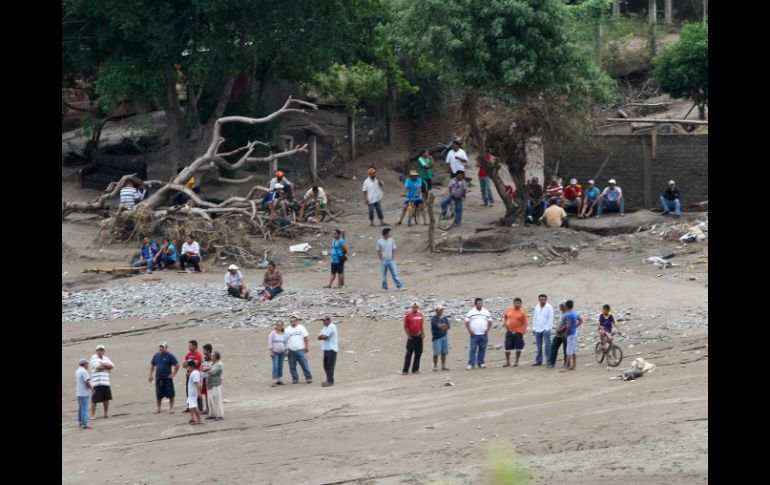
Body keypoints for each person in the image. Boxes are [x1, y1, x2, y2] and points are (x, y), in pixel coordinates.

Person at [148, 341, 180, 414]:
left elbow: (177, 365)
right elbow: (152, 365)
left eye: (162, 347)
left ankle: (171, 408)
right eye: (160, 347)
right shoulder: (156, 355)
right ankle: (158, 408)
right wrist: (150, 375)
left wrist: (173, 374)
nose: (161, 348)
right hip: (159, 378)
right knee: (158, 394)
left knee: (171, 394)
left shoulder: (170, 355)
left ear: (166, 348)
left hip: (167, 378)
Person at [465, 298, 492, 370]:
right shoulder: (471, 312)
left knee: (482, 348)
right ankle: (471, 364)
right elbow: (467, 322)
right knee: (473, 349)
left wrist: (488, 329)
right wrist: (469, 330)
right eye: (478, 303)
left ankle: (481, 362)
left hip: (483, 334)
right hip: (474, 334)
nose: (480, 304)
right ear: (475, 304)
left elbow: (490, 321)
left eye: (481, 303)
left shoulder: (486, 312)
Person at [501, 297, 529, 368]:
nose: (517, 304)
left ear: (521, 304)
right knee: (507, 346)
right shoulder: (509, 309)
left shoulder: (522, 312)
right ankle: (507, 361)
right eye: (516, 303)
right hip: (509, 331)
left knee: (518, 347)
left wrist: (523, 331)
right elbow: (504, 317)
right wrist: (504, 323)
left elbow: (525, 322)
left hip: (518, 332)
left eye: (519, 303)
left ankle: (516, 361)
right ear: (513, 303)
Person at [89, 344, 114, 419]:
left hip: (105, 381)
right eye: (99, 350)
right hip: (97, 382)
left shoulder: (106, 358)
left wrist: (103, 364)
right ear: (96, 351)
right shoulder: (93, 358)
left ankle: (105, 414)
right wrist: (107, 367)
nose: (100, 352)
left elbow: (112, 366)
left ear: (104, 351)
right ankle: (92, 415)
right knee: (95, 400)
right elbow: (98, 367)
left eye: (102, 350)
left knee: (106, 399)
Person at [285, 315, 312, 384]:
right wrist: (286, 350)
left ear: (297, 321)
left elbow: (305, 337)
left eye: (294, 321)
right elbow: (285, 341)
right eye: (291, 321)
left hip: (301, 349)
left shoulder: (301, 328)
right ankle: (295, 378)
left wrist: (306, 346)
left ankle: (308, 377)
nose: (292, 323)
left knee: (304, 364)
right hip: (291, 350)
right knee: (292, 366)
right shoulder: (287, 330)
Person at [377, 227, 404, 292]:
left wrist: (393, 257)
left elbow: (394, 249)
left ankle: (400, 286)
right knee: (384, 275)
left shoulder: (391, 240)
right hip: (384, 260)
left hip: (391, 260)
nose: (391, 234)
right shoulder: (379, 241)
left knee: (395, 274)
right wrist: (381, 258)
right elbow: (378, 250)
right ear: (385, 234)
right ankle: (384, 288)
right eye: (389, 233)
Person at [560, 300, 584, 372]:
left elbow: (569, 325)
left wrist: (566, 333)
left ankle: (566, 367)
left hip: (571, 334)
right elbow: (581, 320)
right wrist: (576, 327)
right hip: (574, 333)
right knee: (573, 350)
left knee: (569, 351)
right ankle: (574, 365)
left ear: (566, 306)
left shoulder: (569, 315)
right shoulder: (575, 313)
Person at [402, 302, 425, 375]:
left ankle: (415, 369)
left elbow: (421, 325)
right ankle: (405, 370)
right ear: (412, 307)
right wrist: (408, 335)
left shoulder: (420, 315)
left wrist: (423, 333)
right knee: (409, 354)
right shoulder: (408, 315)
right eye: (414, 307)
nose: (415, 308)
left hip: (419, 337)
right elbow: (405, 326)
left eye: (416, 307)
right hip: (412, 337)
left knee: (418, 353)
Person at [598, 304, 623, 370]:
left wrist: (619, 330)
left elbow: (615, 323)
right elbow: (599, 324)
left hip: (609, 331)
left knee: (612, 343)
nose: (602, 311)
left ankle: (615, 358)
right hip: (602, 330)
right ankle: (603, 346)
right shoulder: (601, 316)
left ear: (608, 311)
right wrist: (602, 328)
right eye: (602, 309)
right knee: (603, 336)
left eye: (604, 310)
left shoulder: (610, 316)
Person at [531, 294, 554, 367]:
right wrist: (534, 328)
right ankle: (539, 361)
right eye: (541, 299)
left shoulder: (549, 307)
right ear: (539, 300)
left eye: (543, 299)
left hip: (546, 328)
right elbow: (535, 317)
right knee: (538, 346)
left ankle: (549, 361)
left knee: (548, 345)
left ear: (546, 299)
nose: (542, 301)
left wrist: (548, 328)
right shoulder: (537, 307)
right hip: (538, 328)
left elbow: (551, 318)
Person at [183, 340, 203, 413]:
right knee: (188, 391)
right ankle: (189, 406)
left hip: (195, 376)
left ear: (195, 346)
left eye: (190, 345)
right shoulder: (188, 355)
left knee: (197, 391)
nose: (189, 347)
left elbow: (195, 364)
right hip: (188, 376)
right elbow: (184, 365)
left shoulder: (198, 355)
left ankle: (200, 408)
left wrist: (188, 364)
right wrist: (188, 364)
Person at [318, 316, 338, 387]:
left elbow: (325, 337)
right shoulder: (325, 328)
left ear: (329, 320)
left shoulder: (331, 326)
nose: (324, 322)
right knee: (326, 366)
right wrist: (322, 336)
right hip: (326, 349)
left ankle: (330, 381)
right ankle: (329, 379)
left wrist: (322, 336)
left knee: (330, 366)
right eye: (323, 320)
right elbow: (319, 337)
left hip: (331, 349)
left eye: (325, 320)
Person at [549, 302, 570, 369]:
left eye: (561, 306)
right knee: (553, 348)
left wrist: (560, 330)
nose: (560, 308)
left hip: (565, 334)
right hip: (558, 334)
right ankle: (552, 363)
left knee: (565, 350)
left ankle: (566, 364)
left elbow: (567, 325)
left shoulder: (568, 314)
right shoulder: (561, 314)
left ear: (564, 307)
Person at [431, 304, 451, 371]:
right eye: (440, 310)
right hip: (437, 338)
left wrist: (442, 326)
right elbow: (437, 326)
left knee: (444, 352)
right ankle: (435, 366)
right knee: (436, 353)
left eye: (442, 310)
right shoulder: (433, 318)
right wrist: (443, 326)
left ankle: (443, 366)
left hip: (444, 336)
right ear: (436, 311)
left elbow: (448, 326)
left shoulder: (444, 317)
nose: (441, 311)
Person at [75, 358, 94, 429]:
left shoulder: (77, 371)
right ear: (85, 364)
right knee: (84, 408)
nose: (88, 365)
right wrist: (92, 389)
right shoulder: (84, 371)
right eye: (87, 364)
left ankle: (80, 423)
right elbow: (87, 381)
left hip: (79, 392)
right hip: (84, 392)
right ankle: (85, 424)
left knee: (80, 408)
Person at [206, 351, 224, 420]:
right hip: (210, 385)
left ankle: (220, 415)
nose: (211, 357)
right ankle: (212, 414)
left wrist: (207, 369)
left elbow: (212, 372)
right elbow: (205, 368)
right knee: (210, 400)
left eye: (212, 356)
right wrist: (207, 369)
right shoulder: (212, 363)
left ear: (216, 357)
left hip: (216, 385)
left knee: (217, 400)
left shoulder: (219, 364)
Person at [268, 321, 287, 387]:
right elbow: (270, 342)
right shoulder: (272, 333)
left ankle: (279, 379)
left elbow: (285, 342)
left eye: (280, 325)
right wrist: (271, 351)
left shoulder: (284, 334)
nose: (279, 326)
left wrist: (286, 350)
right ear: (276, 326)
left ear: (282, 326)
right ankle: (274, 379)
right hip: (275, 352)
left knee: (280, 366)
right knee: (275, 366)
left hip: (282, 352)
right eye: (278, 325)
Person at [184, 360, 203, 425]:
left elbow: (197, 383)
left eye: (188, 367)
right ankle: (195, 419)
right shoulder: (194, 372)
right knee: (192, 406)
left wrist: (199, 393)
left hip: (193, 393)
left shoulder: (194, 373)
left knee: (194, 406)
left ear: (191, 367)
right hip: (191, 392)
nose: (187, 368)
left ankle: (199, 420)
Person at [199, 343, 213, 415]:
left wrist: (205, 368)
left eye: (204, 350)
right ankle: (207, 408)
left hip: (210, 378)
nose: (203, 351)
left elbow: (212, 367)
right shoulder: (204, 359)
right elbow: (201, 367)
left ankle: (210, 408)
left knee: (209, 394)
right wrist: (204, 369)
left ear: (208, 350)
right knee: (205, 394)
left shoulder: (213, 358)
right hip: (204, 378)